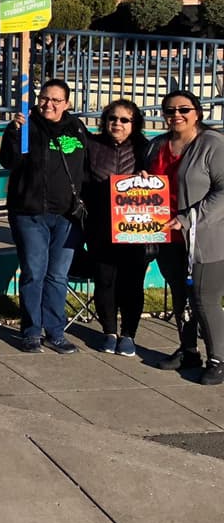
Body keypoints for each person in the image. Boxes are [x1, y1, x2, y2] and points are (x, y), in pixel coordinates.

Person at [0, 78, 89, 355]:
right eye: (44, 98)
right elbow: (9, 161)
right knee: (33, 273)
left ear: (67, 104)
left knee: (58, 276)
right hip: (30, 213)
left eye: (55, 100)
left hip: (67, 216)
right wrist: (14, 133)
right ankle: (31, 331)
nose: (48, 104)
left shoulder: (77, 128)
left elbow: (89, 166)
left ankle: (55, 332)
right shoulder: (26, 126)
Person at [145, 91, 224, 377]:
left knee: (204, 299)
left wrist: (188, 218)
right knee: (180, 296)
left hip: (205, 238)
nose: (176, 115)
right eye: (170, 110)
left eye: (183, 109)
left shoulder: (212, 144)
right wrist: (144, 182)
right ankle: (188, 351)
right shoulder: (156, 145)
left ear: (197, 113)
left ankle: (219, 359)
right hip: (166, 236)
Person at [83, 99, 150, 356]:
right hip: (100, 226)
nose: (117, 123)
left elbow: (159, 183)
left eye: (124, 119)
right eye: (112, 118)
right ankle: (109, 332)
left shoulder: (146, 148)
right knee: (104, 281)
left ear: (134, 123)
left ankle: (129, 334)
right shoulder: (92, 145)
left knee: (132, 283)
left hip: (135, 228)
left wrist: (147, 179)